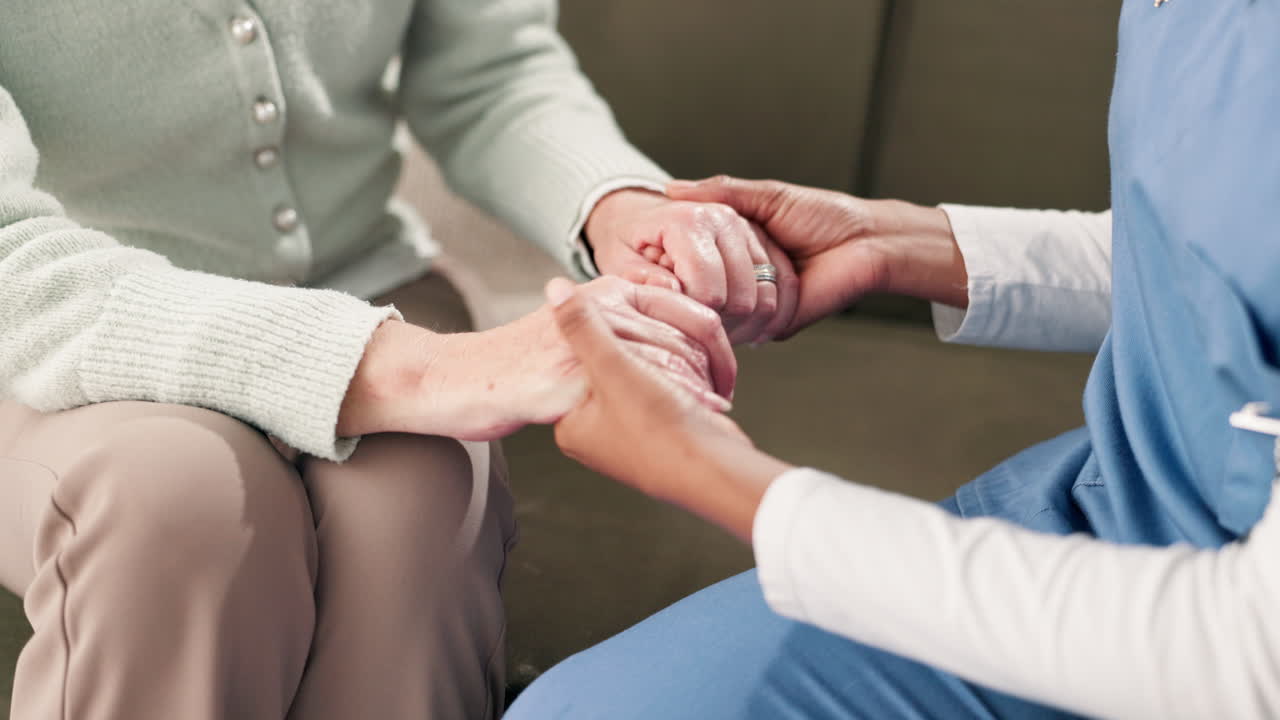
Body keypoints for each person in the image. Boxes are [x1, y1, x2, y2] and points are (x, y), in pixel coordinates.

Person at [507, 2, 1280, 715]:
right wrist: (902, 244)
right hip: (1124, 496)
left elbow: (1241, 652)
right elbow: (1221, 247)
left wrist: (713, 473)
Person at [0, 1, 764, 718]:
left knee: (417, 499)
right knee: (174, 505)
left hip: (362, 277)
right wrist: (424, 371)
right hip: (60, 326)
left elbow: (493, 75)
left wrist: (620, 205)